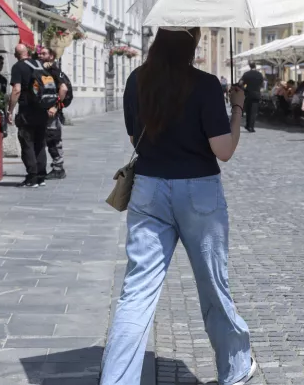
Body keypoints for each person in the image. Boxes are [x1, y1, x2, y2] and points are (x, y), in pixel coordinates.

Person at [102, 27, 256, 385]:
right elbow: (225, 150)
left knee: (137, 291)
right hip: (198, 191)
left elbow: (132, 136)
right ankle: (234, 369)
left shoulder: (136, 81)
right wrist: (236, 107)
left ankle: (116, 380)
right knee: (213, 284)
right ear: (193, 43)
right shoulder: (203, 85)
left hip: (149, 189)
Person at [8, 44, 54, 187]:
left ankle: (32, 177)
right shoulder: (39, 64)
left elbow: (16, 90)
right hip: (42, 110)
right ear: (27, 52)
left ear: (16, 54)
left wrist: (10, 110)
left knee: (27, 143)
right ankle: (41, 176)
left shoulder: (18, 67)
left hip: (27, 111)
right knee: (40, 143)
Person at [38, 47, 69, 179]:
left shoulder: (54, 70)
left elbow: (63, 88)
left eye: (44, 53)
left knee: (53, 138)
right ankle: (57, 167)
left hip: (52, 112)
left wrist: (56, 106)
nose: (40, 55)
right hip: (48, 110)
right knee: (50, 138)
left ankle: (58, 168)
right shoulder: (46, 69)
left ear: (51, 56)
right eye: (40, 53)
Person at [239, 62, 264, 133]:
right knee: (254, 112)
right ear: (255, 66)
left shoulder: (246, 74)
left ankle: (247, 125)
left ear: (250, 66)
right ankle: (251, 127)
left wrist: (243, 88)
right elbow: (262, 84)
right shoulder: (259, 74)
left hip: (248, 94)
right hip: (256, 94)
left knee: (248, 110)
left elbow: (241, 83)